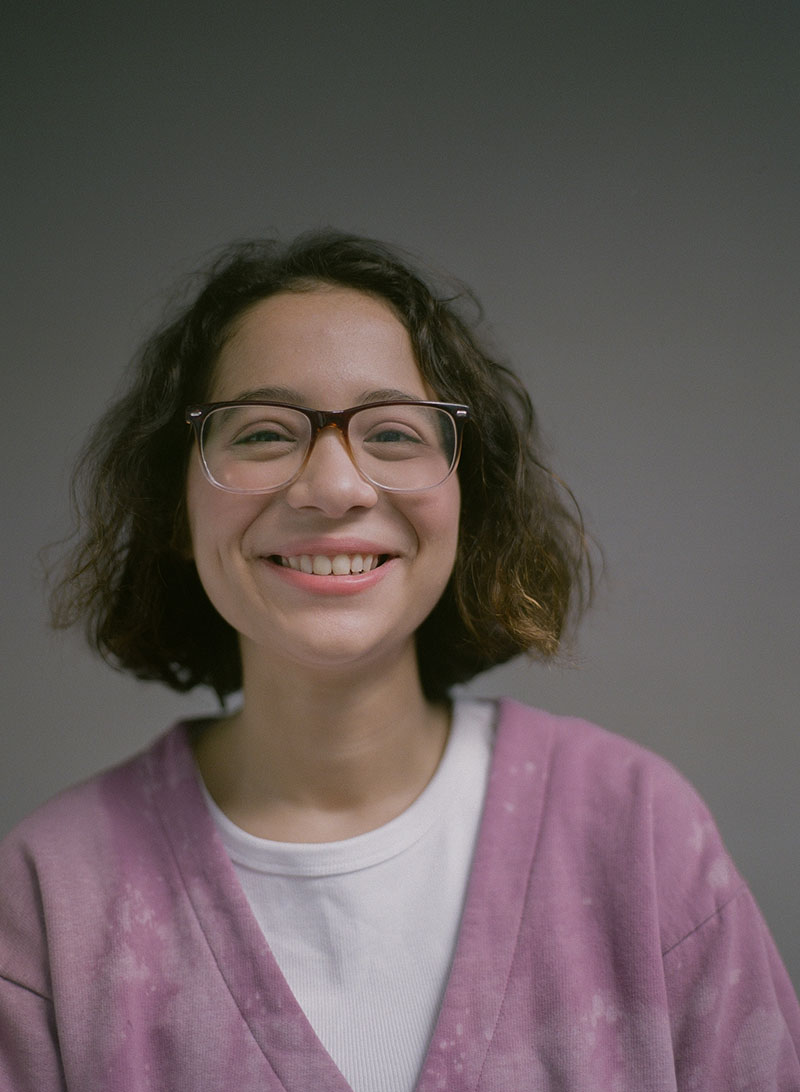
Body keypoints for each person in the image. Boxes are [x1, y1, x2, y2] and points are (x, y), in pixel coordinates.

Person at [0, 232, 797, 1092]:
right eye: (265, 433)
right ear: (174, 508)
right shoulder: (54, 897)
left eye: (392, 433)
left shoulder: (639, 836)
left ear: (467, 500)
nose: (334, 486)